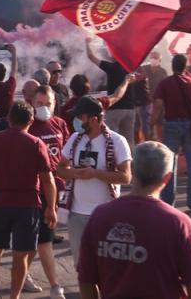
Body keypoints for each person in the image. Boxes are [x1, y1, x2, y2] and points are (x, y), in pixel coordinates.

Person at [76, 141, 191, 299]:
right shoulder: (179, 224)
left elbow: (86, 279)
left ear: (133, 170)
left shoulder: (100, 216)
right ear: (167, 178)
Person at [0, 101, 57, 299]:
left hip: (0, 203)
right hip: (27, 206)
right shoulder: (36, 144)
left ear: (9, 119)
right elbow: (48, 180)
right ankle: (15, 296)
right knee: (20, 255)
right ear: (31, 120)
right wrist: (52, 207)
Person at [57, 95, 132, 266]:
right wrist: (75, 173)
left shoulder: (117, 141)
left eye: (80, 117)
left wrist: (95, 173)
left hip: (105, 215)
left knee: (105, 267)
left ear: (94, 119)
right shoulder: (75, 138)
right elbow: (60, 169)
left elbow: (126, 177)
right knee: (82, 268)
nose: (76, 120)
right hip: (76, 215)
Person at [28, 85, 70, 299]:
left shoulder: (60, 124)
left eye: (48, 104)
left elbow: (65, 155)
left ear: (54, 104)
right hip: (38, 190)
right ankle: (55, 286)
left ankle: (22, 270)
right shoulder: (29, 126)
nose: (44, 108)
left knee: (37, 237)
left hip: (58, 187)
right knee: (45, 239)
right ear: (32, 104)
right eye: (39, 104)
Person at [152, 54, 191, 213]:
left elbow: (159, 105)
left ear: (172, 66)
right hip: (190, 125)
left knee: (170, 164)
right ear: (185, 66)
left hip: (172, 124)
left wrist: (151, 123)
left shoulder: (165, 84)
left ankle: (168, 203)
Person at [86, 38, 134, 142]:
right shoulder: (129, 68)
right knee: (129, 140)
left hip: (115, 107)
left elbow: (91, 56)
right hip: (130, 108)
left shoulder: (112, 67)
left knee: (111, 139)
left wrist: (87, 43)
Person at [0, 46, 18, 121]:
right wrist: (14, 52)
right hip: (8, 123)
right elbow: (14, 70)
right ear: (4, 75)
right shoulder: (10, 86)